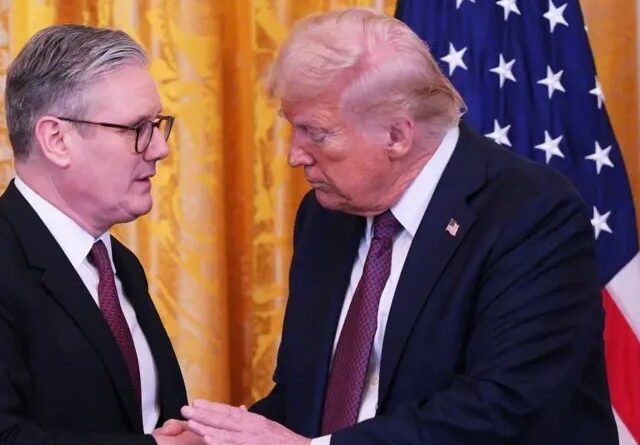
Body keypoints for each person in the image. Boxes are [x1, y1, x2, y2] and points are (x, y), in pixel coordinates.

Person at [181, 8, 618, 445]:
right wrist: (218, 436)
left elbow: (504, 406)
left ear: (396, 136)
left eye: (317, 133)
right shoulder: (325, 216)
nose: (295, 155)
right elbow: (308, 398)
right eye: (294, 129)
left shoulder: (530, 213)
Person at [0, 24, 200, 445]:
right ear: (56, 139)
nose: (159, 149)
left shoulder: (120, 265)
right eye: (136, 129)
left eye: (156, 124)